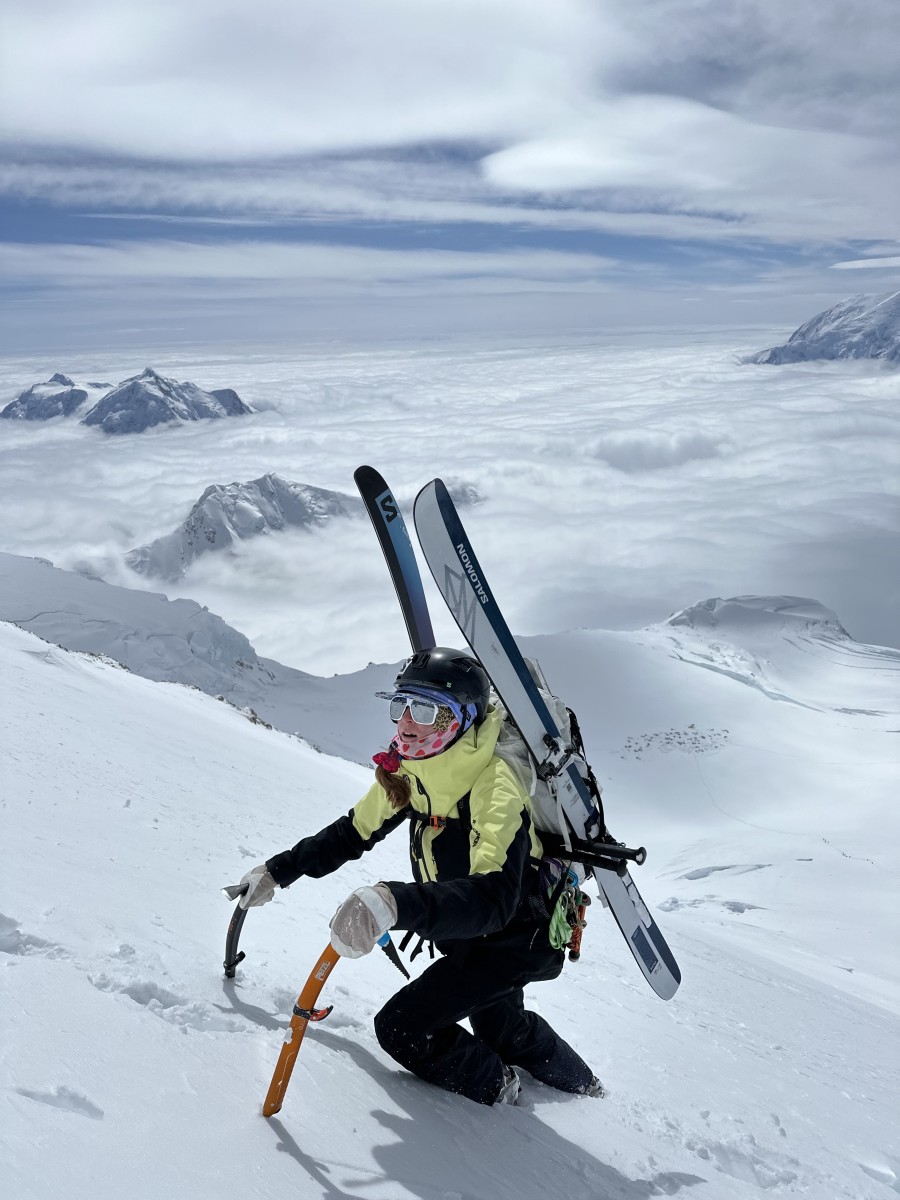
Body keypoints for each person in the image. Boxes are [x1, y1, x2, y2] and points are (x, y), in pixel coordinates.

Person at [230, 646, 604, 1107]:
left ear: (461, 719)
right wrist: (276, 871)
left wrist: (395, 904)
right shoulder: (414, 769)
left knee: (402, 1027)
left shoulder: (496, 783)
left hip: (515, 941)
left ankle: (502, 1090)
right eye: (400, 705)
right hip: (471, 936)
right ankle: (589, 1092)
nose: (405, 722)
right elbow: (352, 833)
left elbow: (493, 898)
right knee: (503, 1026)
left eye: (424, 709)